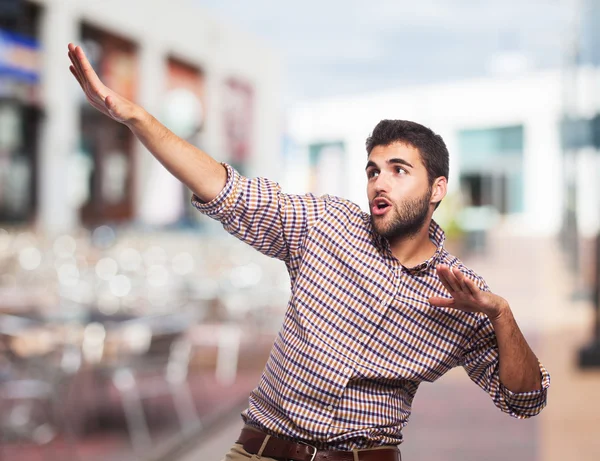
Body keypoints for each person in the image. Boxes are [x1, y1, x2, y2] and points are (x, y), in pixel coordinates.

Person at [68, 43, 550, 461]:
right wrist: (135, 117)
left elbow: (525, 400)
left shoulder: (464, 295)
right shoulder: (326, 225)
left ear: (437, 188)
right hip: (263, 451)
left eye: (398, 170)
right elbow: (225, 188)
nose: (379, 181)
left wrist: (502, 317)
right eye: (372, 170)